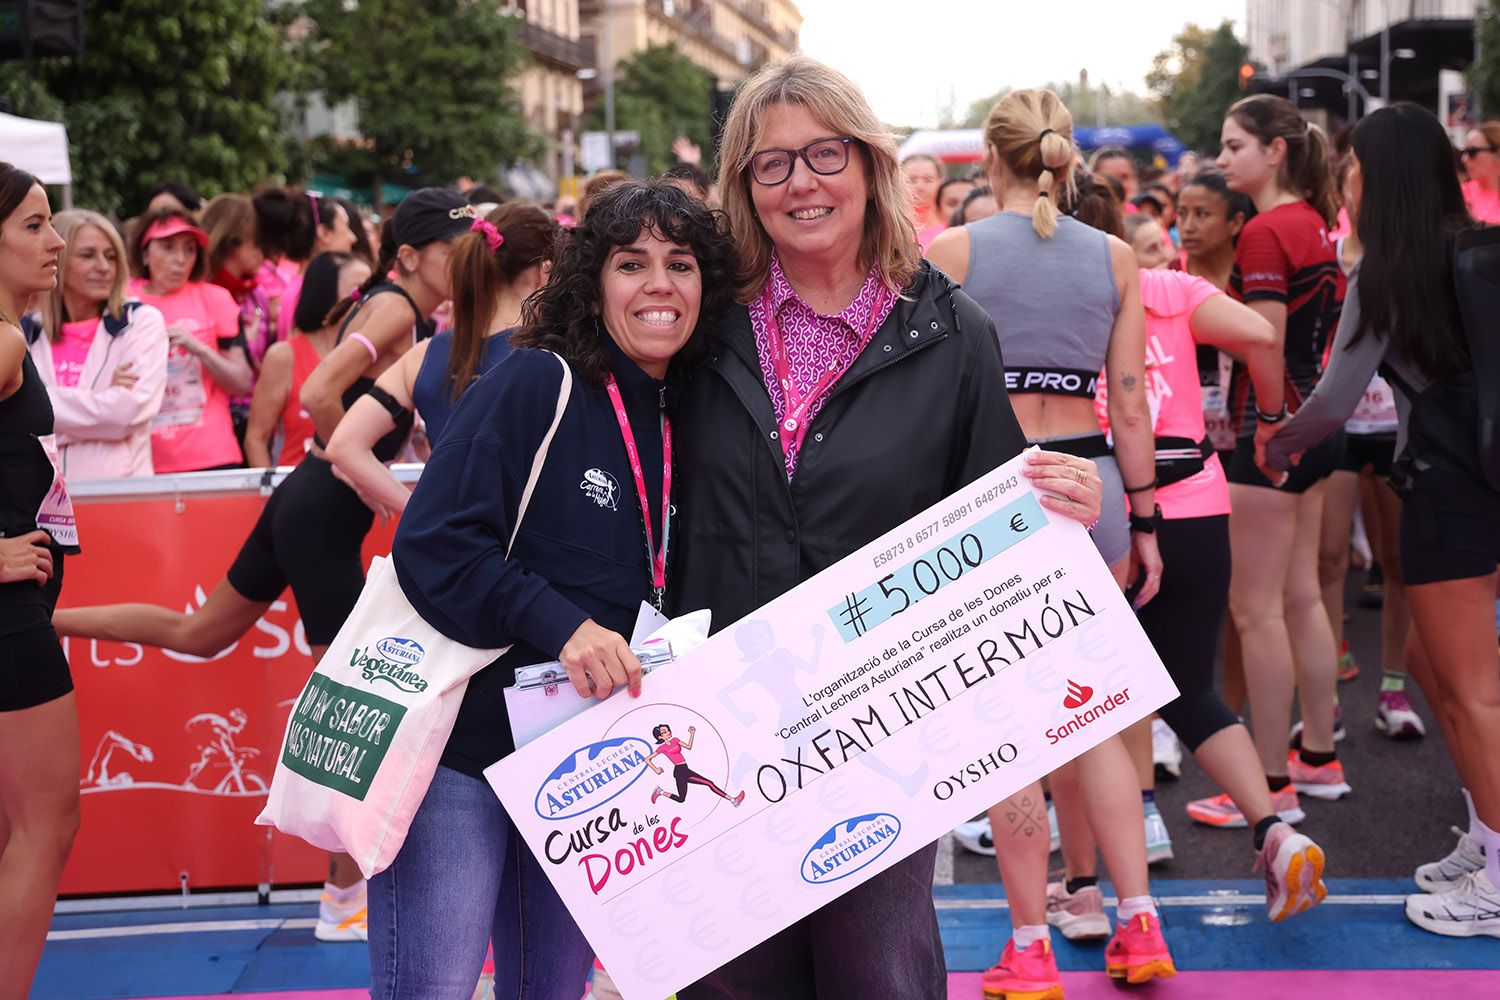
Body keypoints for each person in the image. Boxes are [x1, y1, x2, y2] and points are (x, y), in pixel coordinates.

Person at [673, 56, 1104, 1000]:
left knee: (880, 976)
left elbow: (998, 529)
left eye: (824, 154)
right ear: (744, 188)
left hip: (879, 734)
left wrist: (1067, 502)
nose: (801, 182)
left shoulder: (953, 332)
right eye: (771, 164)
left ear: (869, 165)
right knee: (729, 982)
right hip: (719, 728)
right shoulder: (696, 328)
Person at [52, 187, 475, 943]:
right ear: (411, 256)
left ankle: (41, 618)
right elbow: (317, 393)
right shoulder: (398, 311)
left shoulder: (387, 307)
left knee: (201, 632)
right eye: (453, 249)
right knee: (359, 711)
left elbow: (351, 403)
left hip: (303, 501)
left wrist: (377, 454)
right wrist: (359, 469)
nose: (466, 262)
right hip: (318, 507)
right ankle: (342, 905)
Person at [381, 180, 735, 999]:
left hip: (587, 771)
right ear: (591, 282)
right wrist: (564, 625)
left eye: (681, 264)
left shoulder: (695, 412)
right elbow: (432, 542)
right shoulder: (537, 382)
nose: (658, 284)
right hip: (461, 762)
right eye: (631, 262)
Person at [927, 87, 1173, 995]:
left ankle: (1030, 942)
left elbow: (927, 398)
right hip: (1094, 483)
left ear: (990, 159)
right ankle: (1137, 923)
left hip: (997, 492)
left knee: (1015, 727)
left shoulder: (952, 251)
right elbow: (1134, 402)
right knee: (1097, 717)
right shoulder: (1114, 256)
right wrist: (1144, 519)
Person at [1258, 103, 1500, 939]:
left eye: (1354, 168)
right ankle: (1484, 840)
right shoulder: (1479, 250)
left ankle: (1499, 878)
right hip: (1481, 477)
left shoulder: (1386, 274)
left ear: (1380, 179)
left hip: (1447, 486)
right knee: (1435, 668)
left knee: (1468, 692)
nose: (1345, 182)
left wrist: (1276, 445)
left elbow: (1329, 402)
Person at [1069, 209, 1327, 923]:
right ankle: (1274, 831)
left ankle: (1099, 883)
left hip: (1108, 508)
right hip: (1199, 497)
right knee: (1190, 686)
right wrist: (1270, 413)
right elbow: (1260, 333)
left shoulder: (1061, 301)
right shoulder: (1167, 289)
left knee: (1095, 698)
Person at [1196, 94, 1348, 825]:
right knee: (1301, 597)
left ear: (1276, 150)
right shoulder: (1315, 222)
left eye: (1233, 146)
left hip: (1276, 427)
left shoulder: (1264, 231)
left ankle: (1268, 785)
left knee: (1255, 610)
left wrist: (1267, 428)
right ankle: (1317, 757)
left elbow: (1262, 340)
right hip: (1317, 421)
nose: (1222, 161)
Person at [327, 200, 558, 510]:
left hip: (449, 540)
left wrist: (419, 513)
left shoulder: (424, 355)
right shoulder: (552, 355)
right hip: (523, 543)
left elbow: (344, 445)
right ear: (544, 271)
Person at [0, 162, 75, 998]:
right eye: (32, 224)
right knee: (46, 825)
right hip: (8, 621)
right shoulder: (5, 338)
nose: (54, 241)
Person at [24, 209, 168, 480]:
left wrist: (40, 407)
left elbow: (125, 414)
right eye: (87, 255)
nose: (103, 267)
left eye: (111, 256)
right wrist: (102, 400)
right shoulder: (25, 332)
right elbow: (15, 422)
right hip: (41, 501)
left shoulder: (141, 321)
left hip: (120, 495)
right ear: (57, 259)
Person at [129, 209, 252, 473]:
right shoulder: (123, 302)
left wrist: (199, 348)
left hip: (212, 454)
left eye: (189, 249)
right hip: (144, 458)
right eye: (168, 247)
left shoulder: (216, 299)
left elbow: (242, 383)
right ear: (144, 252)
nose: (180, 260)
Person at [243, 251, 372, 469]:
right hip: (298, 491)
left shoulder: (376, 354)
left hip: (365, 493)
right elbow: (255, 438)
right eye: (360, 291)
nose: (372, 300)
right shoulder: (284, 357)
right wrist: (270, 498)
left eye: (374, 289)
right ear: (327, 296)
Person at [902, 152, 947, 249]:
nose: (920, 187)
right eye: (911, 180)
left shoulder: (953, 223)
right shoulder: (887, 227)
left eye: (928, 180)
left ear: (941, 182)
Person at [1458, 122, 1500, 224]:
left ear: (1498, 153)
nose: (1464, 159)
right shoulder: (1460, 195)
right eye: (1464, 152)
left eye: (1472, 152)